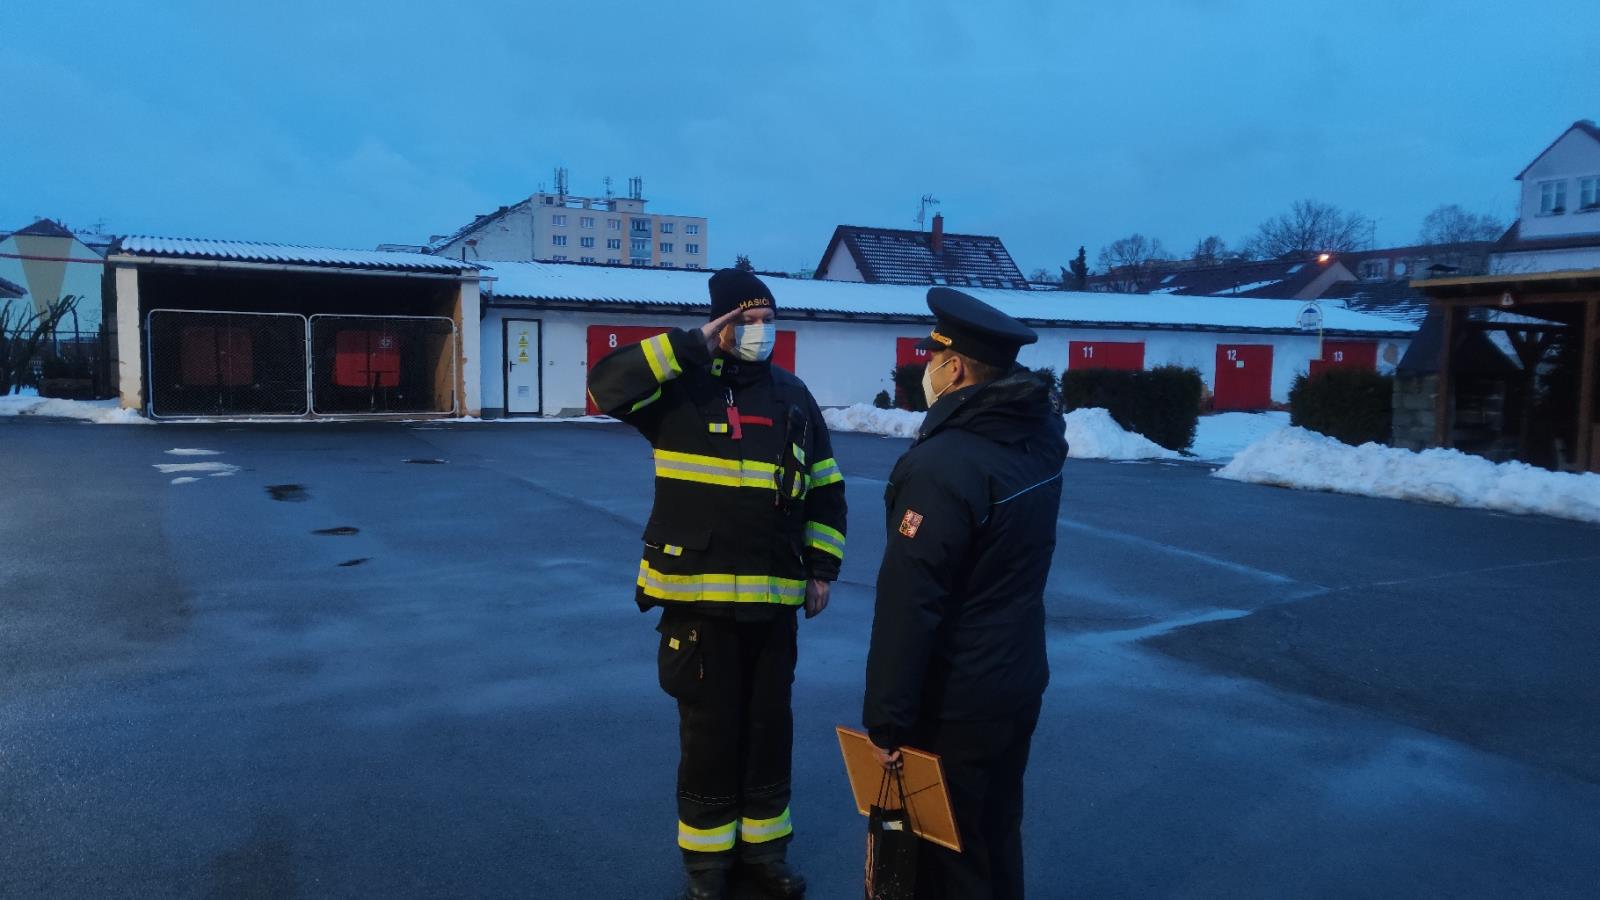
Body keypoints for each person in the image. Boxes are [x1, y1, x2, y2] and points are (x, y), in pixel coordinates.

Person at [587, 268, 847, 900]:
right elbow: (606, 386)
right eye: (745, 322)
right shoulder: (681, 388)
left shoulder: (792, 395)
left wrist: (821, 568)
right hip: (697, 603)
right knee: (708, 737)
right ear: (722, 325)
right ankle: (705, 864)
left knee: (768, 732)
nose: (759, 333)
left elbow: (826, 487)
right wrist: (689, 345)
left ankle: (765, 853)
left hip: (773, 603)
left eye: (766, 321)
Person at [862, 287, 1066, 900]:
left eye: (933, 358)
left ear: (952, 368)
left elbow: (910, 603)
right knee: (995, 834)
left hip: (956, 698)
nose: (926, 369)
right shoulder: (1038, 436)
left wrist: (887, 722)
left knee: (946, 860)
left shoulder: (946, 464)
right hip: (1015, 676)